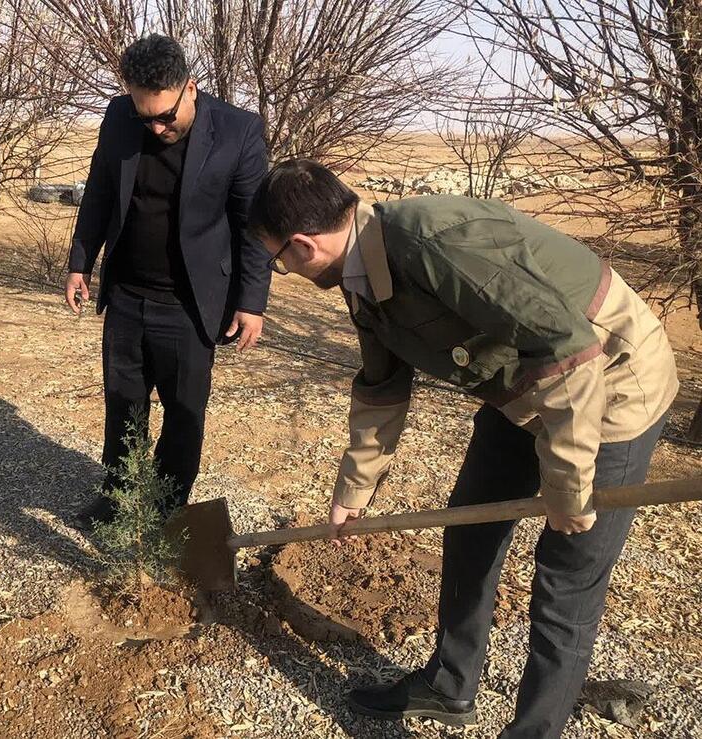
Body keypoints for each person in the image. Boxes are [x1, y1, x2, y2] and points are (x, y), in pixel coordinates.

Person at [246, 159, 679, 738]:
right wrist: (354, 489)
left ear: (303, 245)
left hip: (611, 384)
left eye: (278, 260)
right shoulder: (361, 273)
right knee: (469, 526)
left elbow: (569, 352)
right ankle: (450, 687)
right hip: (523, 386)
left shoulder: (432, 244)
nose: (283, 271)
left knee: (566, 576)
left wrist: (568, 486)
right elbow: (382, 386)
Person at [66, 35, 270, 524]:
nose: (155, 127)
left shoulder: (239, 131)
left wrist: (251, 301)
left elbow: (252, 226)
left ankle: (165, 512)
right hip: (128, 295)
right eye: (145, 116)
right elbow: (97, 191)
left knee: (183, 414)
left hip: (191, 305)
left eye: (165, 116)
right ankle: (116, 502)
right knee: (122, 407)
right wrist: (80, 260)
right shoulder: (120, 118)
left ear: (190, 89)